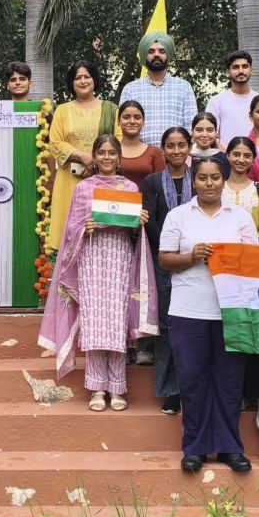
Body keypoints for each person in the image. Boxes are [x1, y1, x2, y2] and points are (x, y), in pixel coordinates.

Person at [39, 135, 156, 411]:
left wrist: (138, 222)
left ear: (119, 158)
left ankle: (117, 388)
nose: (106, 157)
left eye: (111, 153)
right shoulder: (84, 188)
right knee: (94, 320)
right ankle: (96, 389)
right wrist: (86, 227)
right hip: (90, 256)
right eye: (101, 152)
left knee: (115, 319)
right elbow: (71, 228)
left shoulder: (129, 187)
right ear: (94, 156)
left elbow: (132, 230)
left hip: (119, 256)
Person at [159, 156, 258, 472]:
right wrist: (191, 256)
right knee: (192, 380)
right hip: (188, 310)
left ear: (223, 181)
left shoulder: (240, 217)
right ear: (194, 181)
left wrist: (231, 258)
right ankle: (195, 448)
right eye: (203, 178)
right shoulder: (178, 216)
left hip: (232, 312)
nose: (209, 183)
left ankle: (230, 448)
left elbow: (254, 261)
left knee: (230, 383)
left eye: (215, 177)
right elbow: (165, 259)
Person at [138, 127, 192, 413]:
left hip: (197, 263)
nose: (176, 151)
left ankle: (193, 388)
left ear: (189, 148)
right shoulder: (152, 182)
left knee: (193, 327)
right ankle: (172, 390)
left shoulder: (202, 177)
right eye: (171, 146)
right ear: (163, 149)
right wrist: (171, 251)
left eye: (182, 145)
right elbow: (149, 221)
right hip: (163, 262)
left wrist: (188, 253)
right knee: (167, 326)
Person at [47, 61, 119, 251]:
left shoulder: (111, 110)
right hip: (70, 180)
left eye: (87, 76)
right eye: (78, 77)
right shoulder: (62, 110)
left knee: (100, 232)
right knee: (70, 235)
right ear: (72, 83)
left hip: (103, 178)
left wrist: (96, 162)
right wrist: (81, 156)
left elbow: (118, 141)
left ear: (94, 80)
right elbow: (54, 142)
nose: (83, 81)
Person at [118, 31, 198, 146]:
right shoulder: (130, 89)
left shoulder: (184, 87)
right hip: (140, 154)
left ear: (168, 55)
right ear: (144, 55)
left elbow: (191, 127)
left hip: (175, 154)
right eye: (151, 51)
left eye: (161, 51)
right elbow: (124, 126)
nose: (156, 55)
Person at [205, 50, 259, 143]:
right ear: (228, 72)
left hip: (256, 152)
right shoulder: (216, 101)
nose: (241, 71)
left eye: (245, 66)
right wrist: (225, 152)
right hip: (223, 152)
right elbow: (210, 135)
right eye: (235, 67)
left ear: (251, 70)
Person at [117, 100, 164, 187]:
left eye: (137, 117)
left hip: (147, 196)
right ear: (118, 121)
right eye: (126, 117)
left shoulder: (154, 152)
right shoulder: (110, 151)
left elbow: (161, 186)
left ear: (143, 121)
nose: (132, 121)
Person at [224, 137, 259, 229]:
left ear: (253, 159)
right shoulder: (217, 189)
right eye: (236, 154)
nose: (241, 160)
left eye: (247, 156)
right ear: (228, 156)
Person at [189, 111, 229, 177]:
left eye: (210, 130)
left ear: (216, 132)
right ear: (192, 131)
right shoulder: (186, 157)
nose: (204, 135)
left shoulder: (224, 159)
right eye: (199, 130)